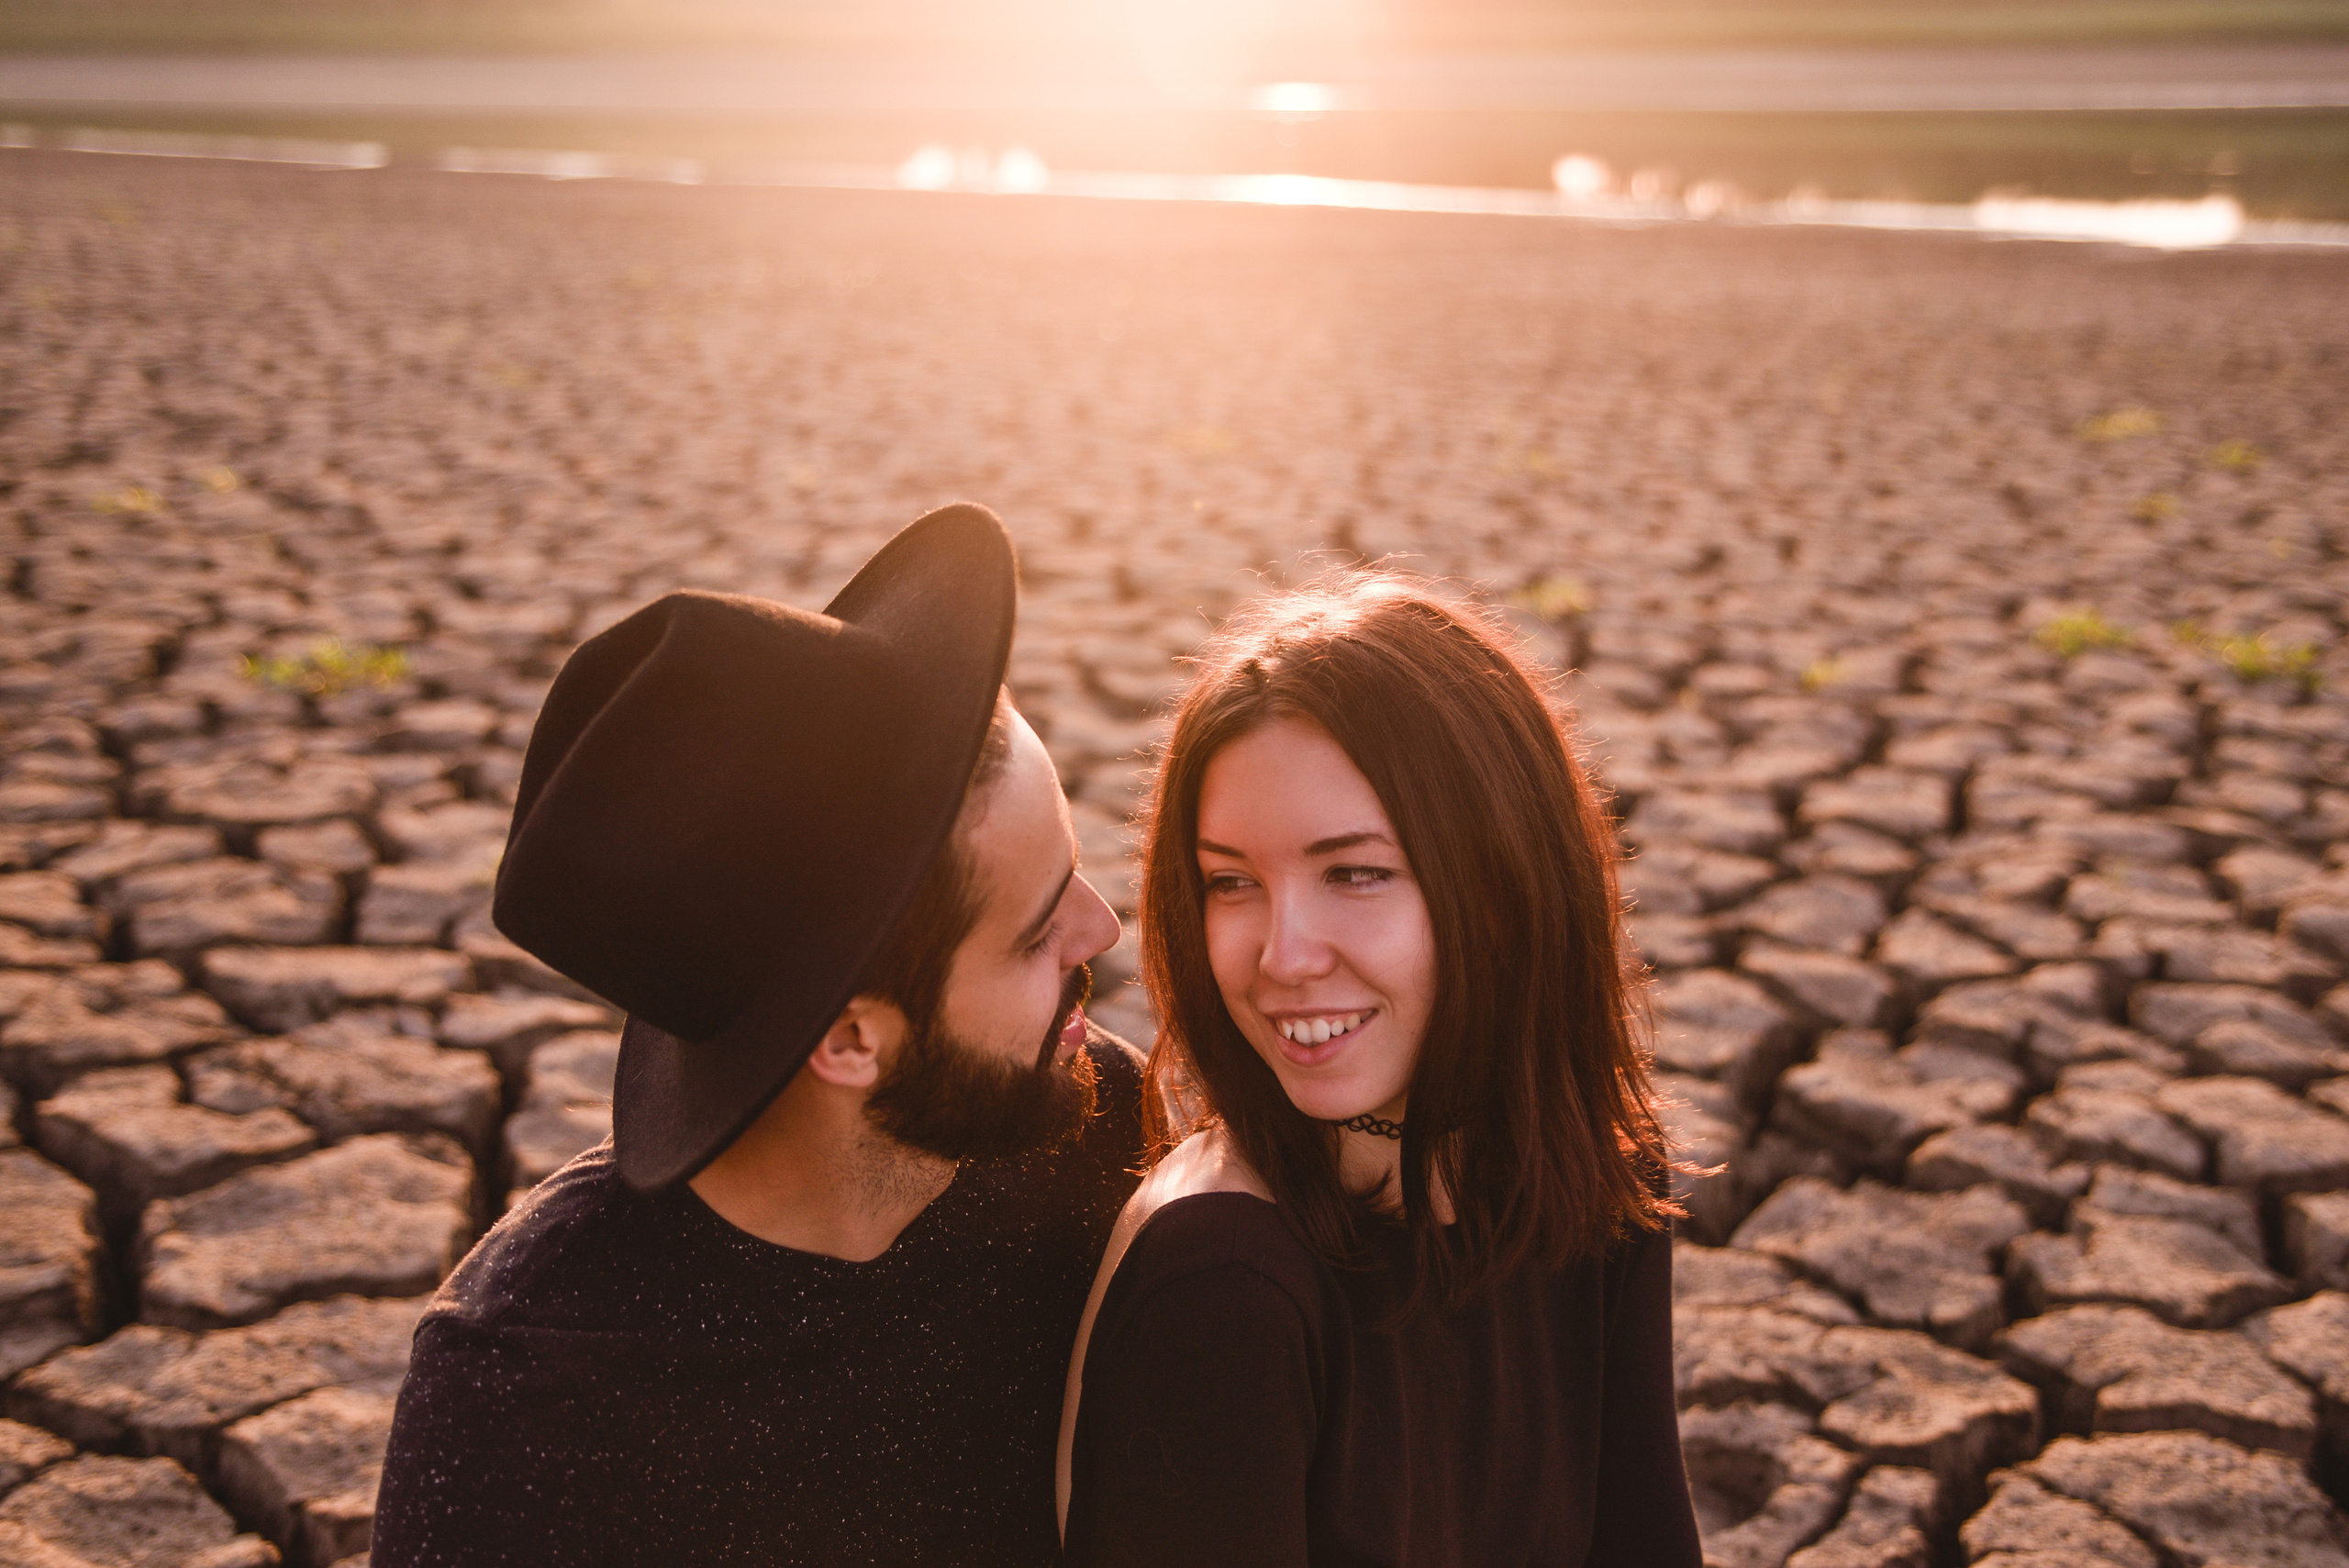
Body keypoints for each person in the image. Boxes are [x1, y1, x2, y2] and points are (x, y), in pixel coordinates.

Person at [373, 504, 1146, 1566]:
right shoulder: (527, 1413)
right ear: (849, 1041)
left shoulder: (1089, 1128)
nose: (1101, 928)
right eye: (1033, 926)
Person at [1056, 572, 1703, 1567]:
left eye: (1353, 872)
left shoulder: (1592, 1180)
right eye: (1230, 881)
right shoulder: (1228, 1280)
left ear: (1503, 883)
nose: (1283, 953)